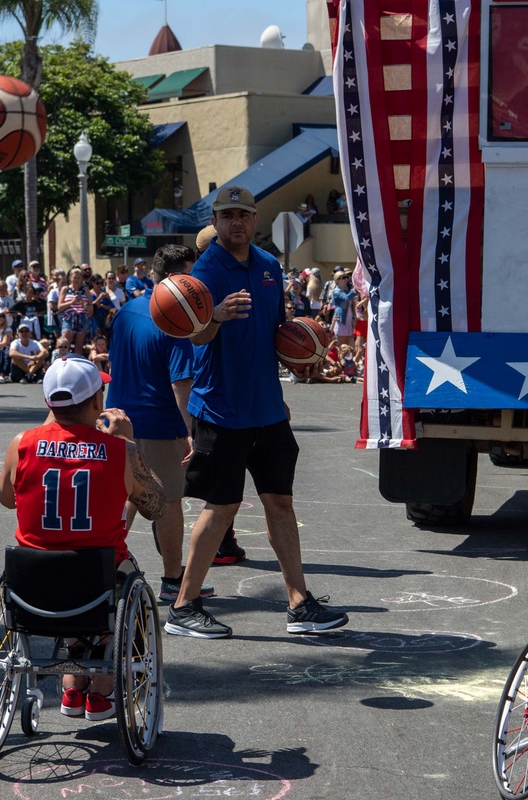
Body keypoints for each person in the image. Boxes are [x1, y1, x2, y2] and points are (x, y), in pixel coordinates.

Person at [166, 185, 348, 639]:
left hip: (267, 408)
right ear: (216, 220)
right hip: (221, 408)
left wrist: (302, 350)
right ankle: (184, 606)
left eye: (243, 215)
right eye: (227, 216)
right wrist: (218, 317)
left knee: (280, 502)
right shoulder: (204, 271)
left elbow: (276, 333)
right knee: (221, 507)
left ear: (254, 218)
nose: (236, 223)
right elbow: (195, 339)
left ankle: (299, 603)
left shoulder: (269, 267)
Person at [0, 355, 165, 722]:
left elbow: (6, 497)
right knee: (121, 578)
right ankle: (101, 689)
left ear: (48, 403)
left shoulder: (22, 444)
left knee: (75, 575)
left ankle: (72, 687)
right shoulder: (121, 451)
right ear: (97, 402)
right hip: (97, 581)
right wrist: (130, 443)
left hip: (33, 584)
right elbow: (156, 506)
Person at [107, 243, 216, 603]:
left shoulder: (126, 311)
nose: (196, 281)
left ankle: (102, 563)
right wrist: (187, 431)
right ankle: (173, 580)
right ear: (174, 278)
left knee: (127, 495)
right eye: (190, 274)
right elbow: (180, 383)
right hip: (158, 421)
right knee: (168, 501)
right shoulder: (175, 318)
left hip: (118, 420)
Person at [59, 267, 93, 355]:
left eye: (79, 277)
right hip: (69, 318)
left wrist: (82, 303)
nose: (77, 280)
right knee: (65, 345)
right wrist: (72, 302)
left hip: (82, 318)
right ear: (70, 278)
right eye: (75, 277)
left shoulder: (85, 290)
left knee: (79, 346)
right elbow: (59, 307)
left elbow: (91, 309)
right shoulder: (65, 289)